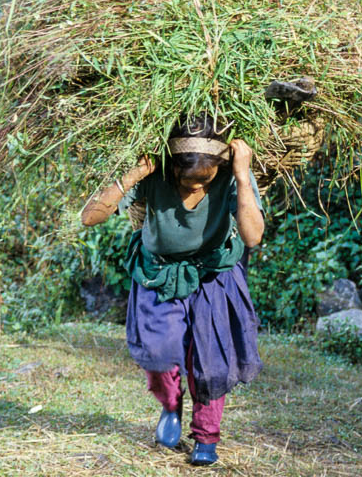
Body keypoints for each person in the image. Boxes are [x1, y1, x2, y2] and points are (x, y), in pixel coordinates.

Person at [80, 114, 264, 466]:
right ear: (171, 165)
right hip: (159, 273)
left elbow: (253, 235)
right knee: (158, 353)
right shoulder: (154, 175)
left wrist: (242, 176)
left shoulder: (231, 176)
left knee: (212, 362)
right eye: (187, 179)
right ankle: (170, 405)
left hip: (214, 276)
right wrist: (133, 176)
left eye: (204, 180)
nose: (195, 188)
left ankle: (206, 437)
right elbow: (89, 216)